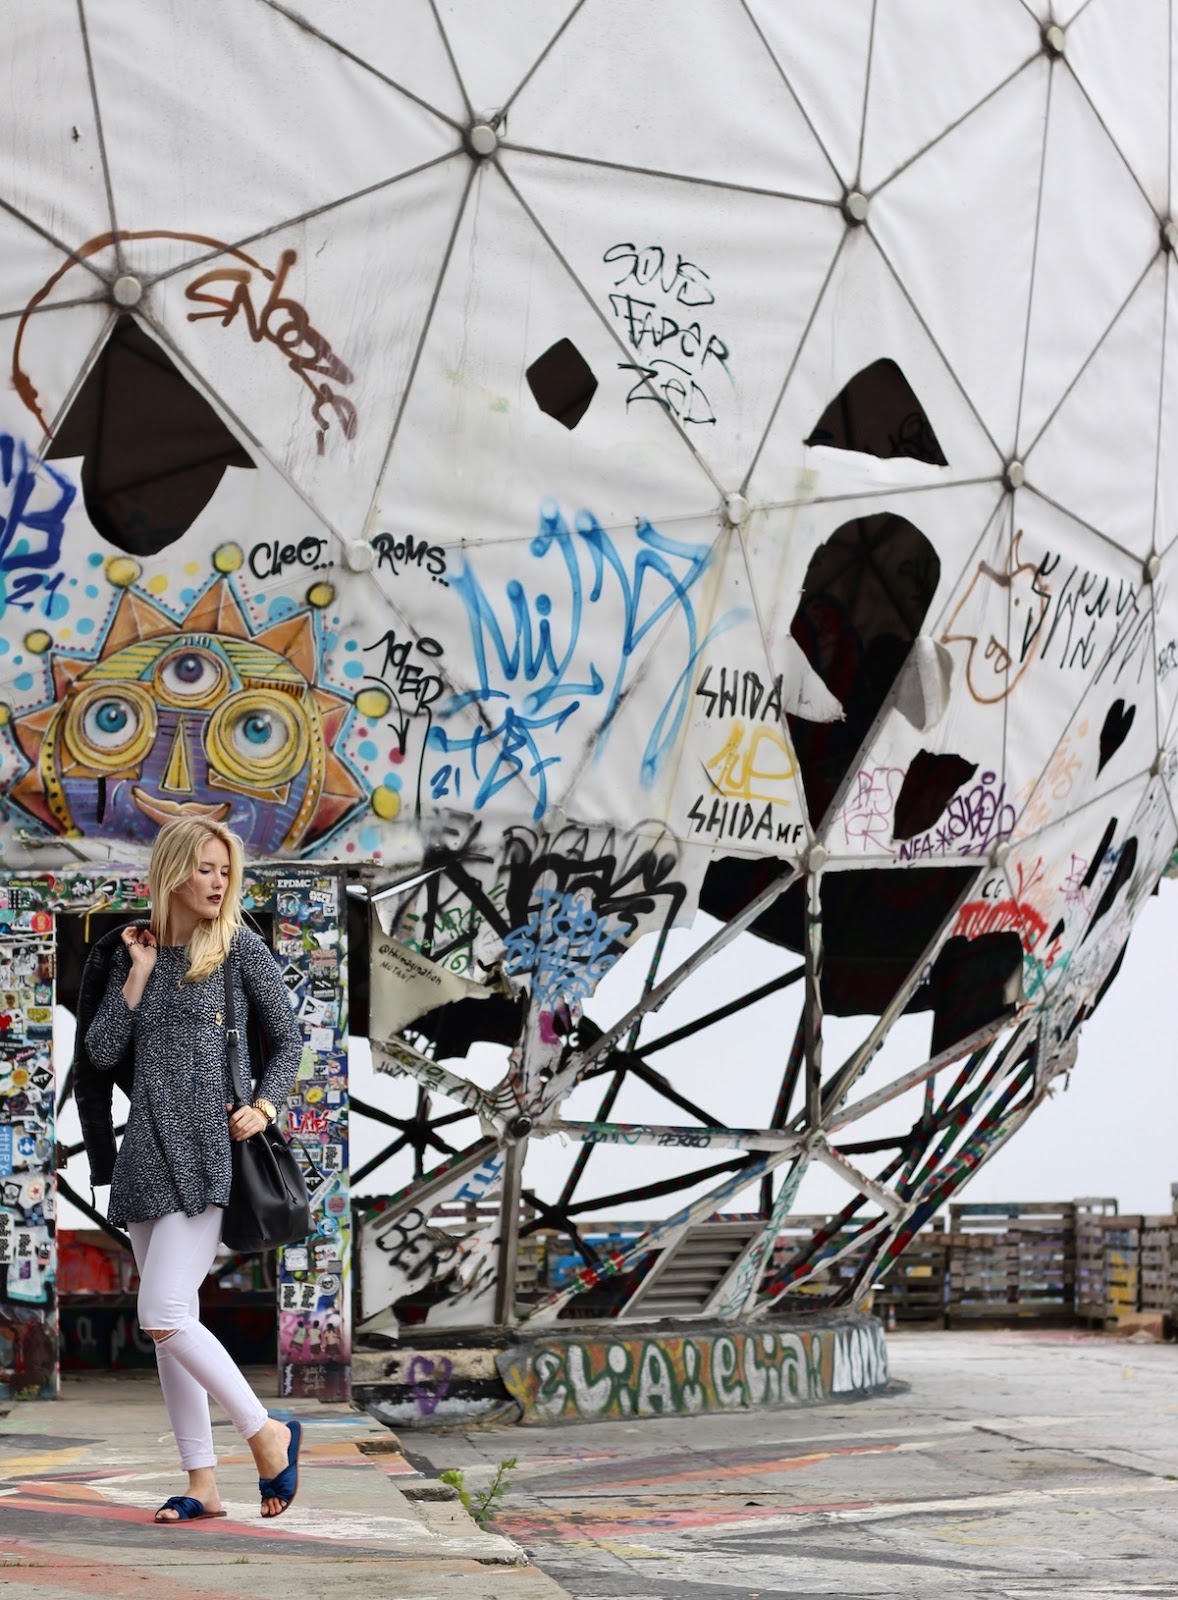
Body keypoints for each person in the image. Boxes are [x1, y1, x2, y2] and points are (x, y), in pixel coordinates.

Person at [85, 816, 304, 1523]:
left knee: (163, 1313)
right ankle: (202, 1483)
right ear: (174, 871)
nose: (217, 882)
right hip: (145, 1156)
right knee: (167, 1331)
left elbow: (289, 1038)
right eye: (205, 868)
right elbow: (100, 1051)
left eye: (224, 871)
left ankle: (267, 1432)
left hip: (211, 1153)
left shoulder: (238, 947)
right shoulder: (135, 954)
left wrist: (266, 1105)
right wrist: (141, 974)